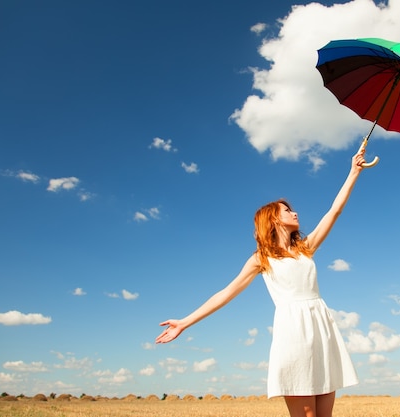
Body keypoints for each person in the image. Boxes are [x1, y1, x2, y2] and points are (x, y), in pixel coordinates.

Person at [155, 146, 368, 417]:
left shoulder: (306, 248)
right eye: (286, 210)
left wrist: (353, 172)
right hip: (294, 331)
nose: (294, 212)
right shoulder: (261, 258)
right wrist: (185, 322)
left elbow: (334, 212)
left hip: (321, 326)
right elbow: (226, 292)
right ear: (273, 220)